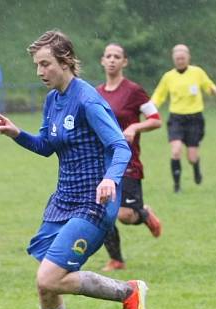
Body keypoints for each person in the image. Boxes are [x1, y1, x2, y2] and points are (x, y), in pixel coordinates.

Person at [0, 31, 147, 309]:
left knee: (49, 278)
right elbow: (46, 146)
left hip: (93, 203)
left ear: (65, 61)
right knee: (46, 287)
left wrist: (110, 179)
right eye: (37, 65)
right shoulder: (53, 100)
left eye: (45, 64)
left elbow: (120, 147)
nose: (39, 72)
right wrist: (16, 134)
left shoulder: (88, 100)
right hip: (63, 201)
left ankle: (128, 291)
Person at [96, 43, 163, 271]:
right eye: (109, 56)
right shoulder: (96, 93)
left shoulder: (134, 90)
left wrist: (135, 127)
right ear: (102, 61)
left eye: (117, 56)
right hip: (101, 162)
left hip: (127, 161)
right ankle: (116, 259)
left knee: (125, 215)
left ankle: (143, 213)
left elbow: (155, 118)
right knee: (102, 211)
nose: (112, 60)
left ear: (124, 62)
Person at [151, 44, 216, 193]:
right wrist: (152, 106)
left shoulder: (197, 72)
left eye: (182, 58)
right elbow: (159, 94)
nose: (180, 61)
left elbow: (208, 85)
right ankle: (177, 186)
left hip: (195, 118)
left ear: (188, 57)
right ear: (173, 59)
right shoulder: (168, 77)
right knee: (175, 151)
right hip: (176, 118)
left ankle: (196, 167)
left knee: (192, 157)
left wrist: (212, 90)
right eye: (177, 58)